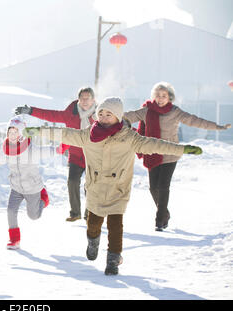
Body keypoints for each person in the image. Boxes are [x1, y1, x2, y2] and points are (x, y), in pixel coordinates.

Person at [23, 97, 203, 275]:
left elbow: (155, 144)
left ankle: (113, 260)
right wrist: (39, 131)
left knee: (115, 225)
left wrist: (182, 149)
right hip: (96, 187)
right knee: (93, 224)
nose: (103, 117)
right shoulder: (88, 135)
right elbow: (65, 134)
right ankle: (93, 241)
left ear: (118, 116)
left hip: (119, 188)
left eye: (108, 114)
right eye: (101, 113)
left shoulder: (130, 137)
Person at [123, 82, 231, 231]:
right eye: (158, 96)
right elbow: (129, 116)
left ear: (170, 97)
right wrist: (107, 115)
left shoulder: (175, 111)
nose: (160, 99)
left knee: (163, 186)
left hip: (170, 153)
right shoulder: (147, 110)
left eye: (164, 96)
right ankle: (165, 213)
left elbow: (195, 120)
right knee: (153, 188)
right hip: (152, 151)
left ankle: (160, 220)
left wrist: (218, 127)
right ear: (153, 96)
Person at [0, 116, 53, 250]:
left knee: (34, 216)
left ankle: (44, 199)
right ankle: (14, 240)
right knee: (11, 210)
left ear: (21, 134)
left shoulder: (31, 149)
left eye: (15, 132)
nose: (12, 135)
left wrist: (60, 148)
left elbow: (46, 151)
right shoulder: (6, 150)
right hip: (16, 188)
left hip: (32, 188)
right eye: (10, 132)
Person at [15, 87, 97, 222]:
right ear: (78, 99)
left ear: (93, 99)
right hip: (76, 156)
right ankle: (75, 213)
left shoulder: (99, 114)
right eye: (82, 98)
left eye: (87, 98)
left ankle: (90, 214)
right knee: (72, 182)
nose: (84, 101)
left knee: (91, 185)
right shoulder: (71, 112)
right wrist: (31, 111)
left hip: (93, 156)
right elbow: (51, 115)